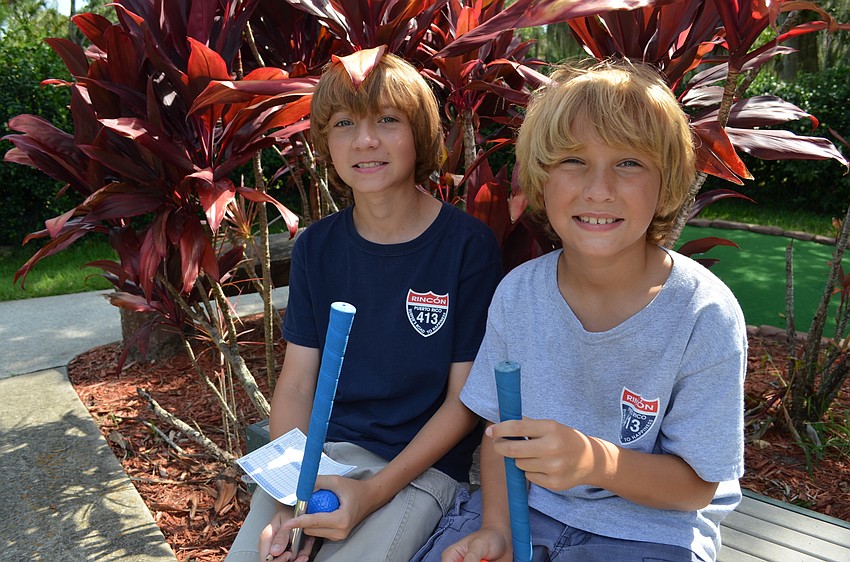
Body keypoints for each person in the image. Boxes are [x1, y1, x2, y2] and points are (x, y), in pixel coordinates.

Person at [410, 58, 746, 562]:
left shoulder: (704, 315)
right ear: (542, 179)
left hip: (651, 535)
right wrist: (499, 529)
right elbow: (501, 434)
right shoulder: (518, 294)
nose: (598, 188)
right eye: (573, 160)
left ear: (667, 182)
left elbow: (697, 486)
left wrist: (596, 462)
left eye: (629, 162)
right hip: (521, 511)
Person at [224, 47, 503, 562]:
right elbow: (298, 382)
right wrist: (292, 494)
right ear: (324, 142)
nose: (366, 140)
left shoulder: (467, 246)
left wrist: (373, 493)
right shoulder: (317, 248)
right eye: (345, 123)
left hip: (417, 469)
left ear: (420, 134)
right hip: (322, 460)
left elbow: (464, 403)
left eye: (388, 120)